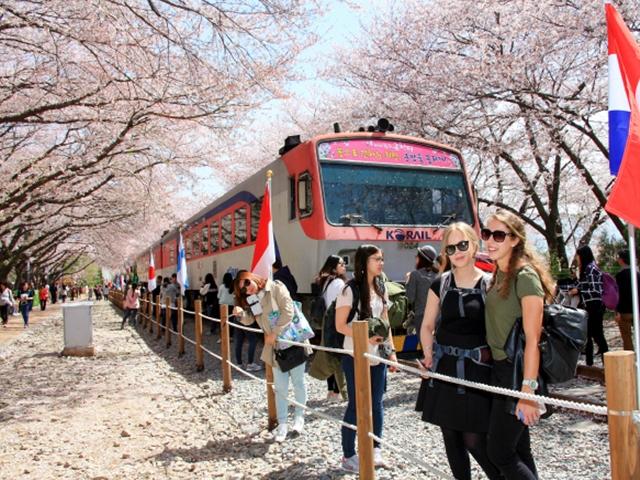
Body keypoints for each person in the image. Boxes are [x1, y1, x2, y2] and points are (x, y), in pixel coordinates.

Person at [416, 223, 500, 480]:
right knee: (451, 439)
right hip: (444, 367)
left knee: (475, 440)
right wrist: (428, 356)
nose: (458, 251)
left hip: (478, 371)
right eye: (451, 248)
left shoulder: (490, 284)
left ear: (474, 244)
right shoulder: (440, 283)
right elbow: (427, 325)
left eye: (463, 244)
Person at [483, 209, 555, 480]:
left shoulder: (525, 277)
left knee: (499, 451)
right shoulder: (499, 274)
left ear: (514, 240)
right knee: (519, 449)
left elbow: (533, 340)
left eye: (499, 235)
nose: (490, 240)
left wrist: (528, 392)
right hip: (500, 370)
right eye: (487, 233)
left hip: (518, 373)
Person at [335, 244, 397, 472]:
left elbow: (385, 322)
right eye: (376, 259)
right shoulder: (349, 290)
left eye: (382, 258)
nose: (381, 263)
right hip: (354, 354)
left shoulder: (381, 286)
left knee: (377, 403)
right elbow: (340, 325)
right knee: (356, 404)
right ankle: (348, 455)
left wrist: (392, 353)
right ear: (364, 262)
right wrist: (365, 337)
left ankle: (375, 450)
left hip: (378, 355)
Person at [233, 270, 309, 442]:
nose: (247, 289)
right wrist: (240, 315)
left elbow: (288, 311)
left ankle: (299, 417)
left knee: (298, 382)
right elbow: (251, 319)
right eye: (242, 290)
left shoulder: (276, 287)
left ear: (252, 277)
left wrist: (274, 333)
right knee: (280, 387)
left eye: (247, 283)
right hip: (274, 347)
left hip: (292, 341)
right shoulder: (253, 299)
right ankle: (282, 424)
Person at [314, 254, 348, 401]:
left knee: (330, 355)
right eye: (341, 264)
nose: (344, 266)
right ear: (334, 267)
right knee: (338, 358)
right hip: (337, 323)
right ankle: (337, 391)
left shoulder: (326, 281)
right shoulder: (339, 283)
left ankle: (330, 391)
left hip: (326, 322)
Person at [570, 245, 608, 365]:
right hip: (588, 306)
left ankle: (606, 360)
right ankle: (590, 362)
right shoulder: (586, 269)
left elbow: (596, 290)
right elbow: (584, 285)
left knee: (598, 335)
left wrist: (579, 290)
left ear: (583, 255)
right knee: (588, 335)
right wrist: (575, 279)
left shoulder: (591, 269)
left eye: (578, 255)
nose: (576, 258)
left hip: (595, 305)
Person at [406, 245, 439, 336]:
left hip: (422, 317)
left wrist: (408, 281)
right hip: (439, 317)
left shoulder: (415, 275)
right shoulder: (439, 275)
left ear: (421, 259)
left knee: (426, 347)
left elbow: (410, 298)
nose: (415, 257)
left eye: (417, 256)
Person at [615, 249, 639, 351]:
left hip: (624, 311)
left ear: (622, 260)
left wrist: (617, 311)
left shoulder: (620, 275)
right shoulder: (637, 274)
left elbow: (618, 295)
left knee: (627, 338)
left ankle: (630, 362)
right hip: (637, 309)